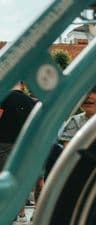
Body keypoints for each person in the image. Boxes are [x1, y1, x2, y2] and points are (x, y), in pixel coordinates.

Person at [58, 70, 96, 225]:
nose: (88, 95)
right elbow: (68, 156)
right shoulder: (74, 123)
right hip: (77, 196)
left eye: (95, 91)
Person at [0, 82, 38, 221]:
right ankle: (20, 213)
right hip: (24, 146)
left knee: (4, 179)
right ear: (22, 85)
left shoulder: (3, 98)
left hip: (3, 144)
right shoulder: (31, 102)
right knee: (18, 180)